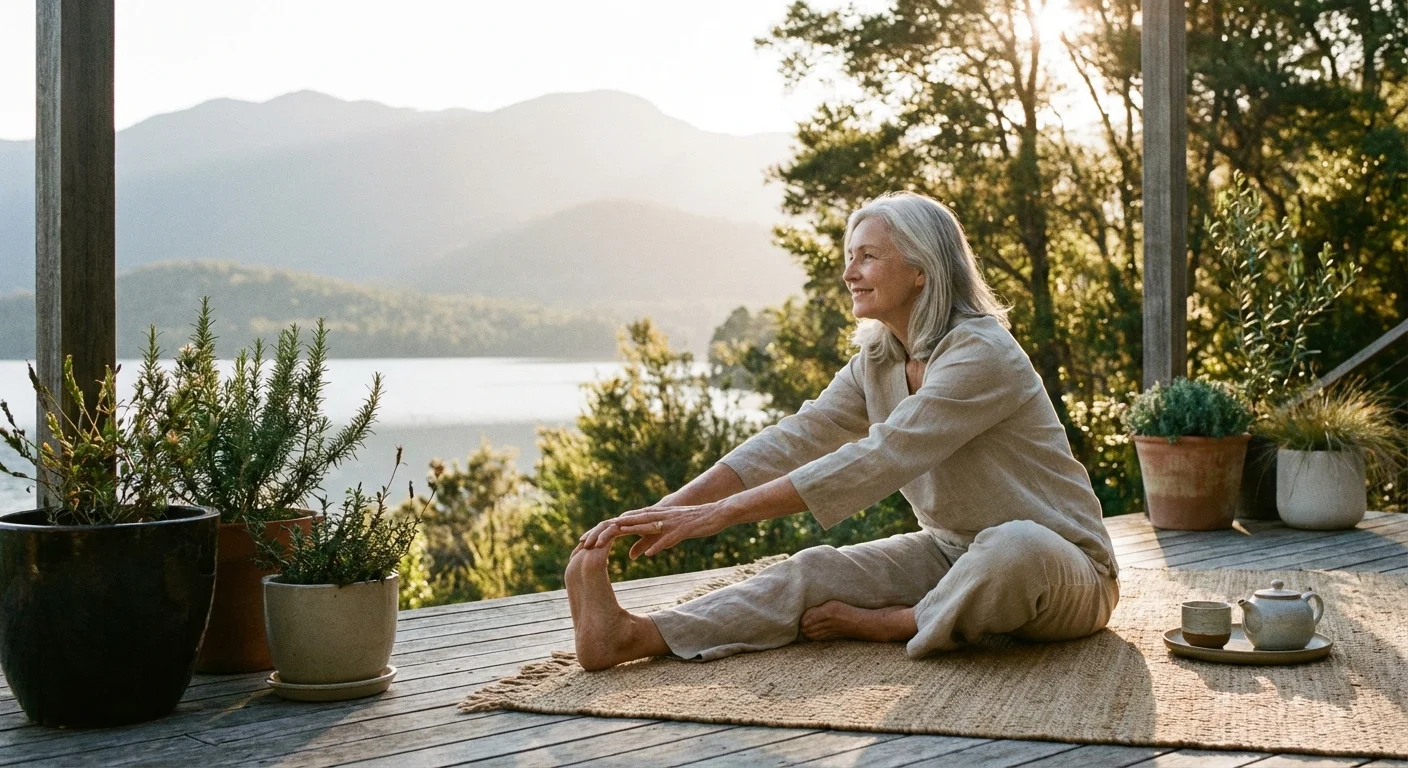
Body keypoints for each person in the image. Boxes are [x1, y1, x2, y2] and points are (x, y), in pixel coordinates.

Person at [565, 191, 1119, 671]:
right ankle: (634, 635)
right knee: (816, 569)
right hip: (948, 553)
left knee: (1012, 545)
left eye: (868, 257)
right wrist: (672, 510)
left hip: (1065, 570)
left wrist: (720, 515)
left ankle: (899, 622)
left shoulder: (981, 353)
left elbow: (879, 458)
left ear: (921, 268)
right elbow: (796, 437)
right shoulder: (879, 360)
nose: (849, 273)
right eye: (849, 257)